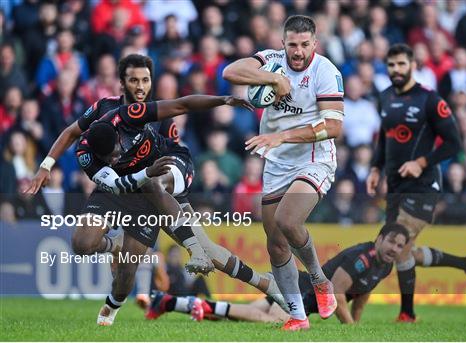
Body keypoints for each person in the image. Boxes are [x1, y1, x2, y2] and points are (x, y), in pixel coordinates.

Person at [26, 54, 285, 325]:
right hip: (125, 185)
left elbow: (182, 108)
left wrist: (223, 99)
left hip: (165, 174)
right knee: (82, 244)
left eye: (145, 80)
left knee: (171, 231)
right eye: (134, 80)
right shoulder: (101, 117)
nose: (140, 87)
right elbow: (75, 138)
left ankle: (258, 280)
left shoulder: (150, 113)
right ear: (122, 83)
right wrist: (46, 164)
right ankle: (117, 250)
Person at [223, 15, 344, 330]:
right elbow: (229, 71)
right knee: (275, 242)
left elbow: (334, 126)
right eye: (292, 44)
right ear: (283, 43)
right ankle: (298, 317)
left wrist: (282, 136)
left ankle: (319, 281)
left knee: (288, 221)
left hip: (313, 158)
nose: (298, 51)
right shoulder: (272, 61)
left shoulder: (326, 71)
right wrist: (273, 80)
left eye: (305, 44)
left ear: (314, 44)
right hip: (277, 162)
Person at [366, 44, 466, 323]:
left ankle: (407, 314)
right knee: (401, 250)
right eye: (391, 65)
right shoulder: (384, 97)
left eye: (401, 64)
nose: (396, 70)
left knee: (392, 244)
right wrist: (376, 167)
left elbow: (453, 143)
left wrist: (421, 162)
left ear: (412, 65)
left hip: (424, 186)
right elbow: (385, 138)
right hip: (396, 185)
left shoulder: (430, 100)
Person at [148, 223, 409, 324]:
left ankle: (170, 302)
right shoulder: (362, 257)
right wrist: (350, 329)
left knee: (234, 317)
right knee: (269, 321)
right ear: (379, 238)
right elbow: (338, 295)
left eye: (400, 246)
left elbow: (362, 293)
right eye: (392, 242)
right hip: (301, 293)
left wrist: (358, 322)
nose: (395, 249)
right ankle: (181, 303)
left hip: (298, 289)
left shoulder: (385, 264)